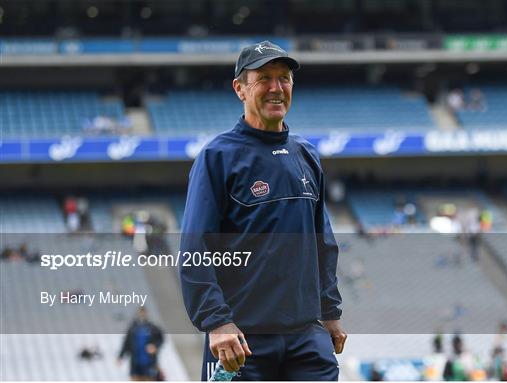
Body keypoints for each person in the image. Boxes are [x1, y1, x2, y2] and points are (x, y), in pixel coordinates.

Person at [179, 40, 346, 380]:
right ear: (239, 88)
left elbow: (322, 243)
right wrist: (217, 321)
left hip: (307, 338)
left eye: (284, 78)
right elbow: (194, 249)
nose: (276, 88)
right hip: (241, 341)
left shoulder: (307, 155)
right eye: (264, 78)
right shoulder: (218, 157)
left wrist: (330, 312)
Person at [118, 307, 164, 381]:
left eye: (143, 312)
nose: (142, 314)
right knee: (135, 378)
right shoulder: (133, 328)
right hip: (135, 361)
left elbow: (161, 338)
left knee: (149, 378)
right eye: (140, 312)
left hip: (149, 361)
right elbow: (126, 343)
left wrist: (155, 346)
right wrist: (120, 356)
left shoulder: (152, 327)